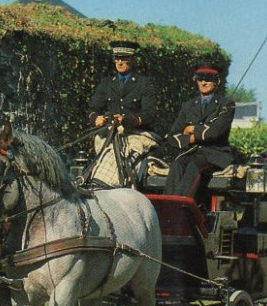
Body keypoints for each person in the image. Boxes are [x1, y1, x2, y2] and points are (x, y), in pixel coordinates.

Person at [83, 40, 158, 187]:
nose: (120, 62)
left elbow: (150, 114)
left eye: (124, 58)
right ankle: (93, 183)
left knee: (120, 158)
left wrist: (127, 119)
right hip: (109, 134)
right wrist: (95, 118)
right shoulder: (106, 83)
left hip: (136, 134)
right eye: (117, 58)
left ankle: (110, 186)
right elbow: (92, 109)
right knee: (102, 156)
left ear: (132, 59)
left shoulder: (144, 83)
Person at [162, 65, 235, 198]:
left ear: (217, 82)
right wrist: (191, 138)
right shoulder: (188, 106)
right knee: (177, 165)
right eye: (200, 79)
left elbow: (215, 133)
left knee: (193, 167)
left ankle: (182, 205)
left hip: (215, 155)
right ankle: (169, 204)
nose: (203, 83)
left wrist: (192, 131)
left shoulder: (226, 104)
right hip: (192, 152)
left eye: (208, 79)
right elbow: (172, 136)